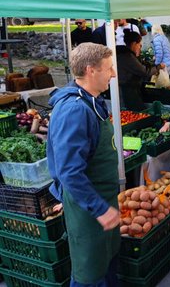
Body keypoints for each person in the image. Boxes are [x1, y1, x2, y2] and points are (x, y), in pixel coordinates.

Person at [47, 43, 119, 286]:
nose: (114, 74)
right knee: (88, 274)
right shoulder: (74, 110)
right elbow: (69, 171)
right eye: (109, 68)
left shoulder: (92, 101)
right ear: (91, 70)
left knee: (105, 266)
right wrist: (99, 208)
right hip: (89, 210)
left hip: (102, 202)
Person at [116, 30, 163, 111]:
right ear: (134, 44)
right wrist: (158, 67)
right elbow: (144, 72)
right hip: (127, 90)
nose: (140, 47)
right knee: (135, 112)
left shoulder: (127, 54)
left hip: (129, 88)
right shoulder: (127, 57)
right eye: (139, 45)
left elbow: (141, 65)